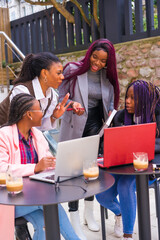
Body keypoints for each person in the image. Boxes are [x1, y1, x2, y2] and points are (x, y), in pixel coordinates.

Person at [58, 38, 120, 239]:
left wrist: (111, 114)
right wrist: (72, 104)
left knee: (91, 172)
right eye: (95, 57)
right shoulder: (72, 70)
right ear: (89, 54)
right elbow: (60, 97)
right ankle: (74, 218)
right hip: (74, 127)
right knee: (73, 173)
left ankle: (89, 214)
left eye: (103, 61)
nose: (98, 63)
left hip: (95, 128)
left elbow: (109, 105)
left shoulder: (107, 78)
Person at [0, 93, 80, 240]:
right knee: (50, 205)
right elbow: (2, 169)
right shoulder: (3, 135)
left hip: (33, 197)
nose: (43, 114)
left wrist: (59, 163)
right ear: (29, 114)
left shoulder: (37, 135)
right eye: (40, 110)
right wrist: (35, 167)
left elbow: (46, 164)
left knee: (44, 222)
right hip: (8, 200)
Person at [96, 80, 160, 240]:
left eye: (133, 98)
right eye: (127, 97)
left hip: (148, 167)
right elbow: (108, 143)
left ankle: (128, 235)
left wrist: (140, 147)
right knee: (102, 195)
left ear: (145, 100)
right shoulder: (119, 116)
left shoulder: (157, 115)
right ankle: (120, 212)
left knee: (126, 186)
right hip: (122, 166)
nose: (128, 101)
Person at [0, 52, 71, 130]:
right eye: (58, 73)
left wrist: (54, 116)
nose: (62, 77)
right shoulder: (22, 91)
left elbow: (40, 127)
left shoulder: (51, 96)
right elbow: (21, 126)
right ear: (44, 73)